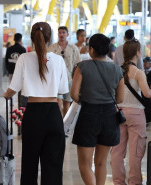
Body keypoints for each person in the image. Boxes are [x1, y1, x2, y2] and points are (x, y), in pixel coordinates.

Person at [4, 22, 68, 185]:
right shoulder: (59, 60)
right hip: (53, 114)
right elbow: (62, 89)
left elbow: (14, 87)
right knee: (53, 166)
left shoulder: (24, 58)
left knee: (29, 164)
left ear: (32, 38)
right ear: (50, 38)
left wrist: (6, 95)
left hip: (33, 115)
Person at [71, 33, 125, 185]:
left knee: (85, 163)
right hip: (109, 117)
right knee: (101, 162)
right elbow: (120, 99)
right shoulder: (117, 70)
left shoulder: (82, 67)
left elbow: (74, 94)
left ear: (91, 49)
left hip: (88, 114)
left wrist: (87, 99)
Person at [110, 40, 151, 185]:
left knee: (116, 152)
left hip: (118, 113)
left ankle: (118, 182)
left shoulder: (117, 71)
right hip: (136, 115)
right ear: (137, 53)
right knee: (135, 153)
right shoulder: (138, 73)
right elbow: (147, 94)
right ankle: (134, 182)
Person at [48, 26, 81, 117]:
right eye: (60, 32)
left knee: (67, 102)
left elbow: (78, 64)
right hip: (56, 80)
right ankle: (58, 121)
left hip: (69, 79)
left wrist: (76, 79)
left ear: (67, 34)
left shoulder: (73, 48)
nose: (61, 34)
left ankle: (64, 124)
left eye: (63, 32)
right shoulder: (52, 48)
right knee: (58, 102)